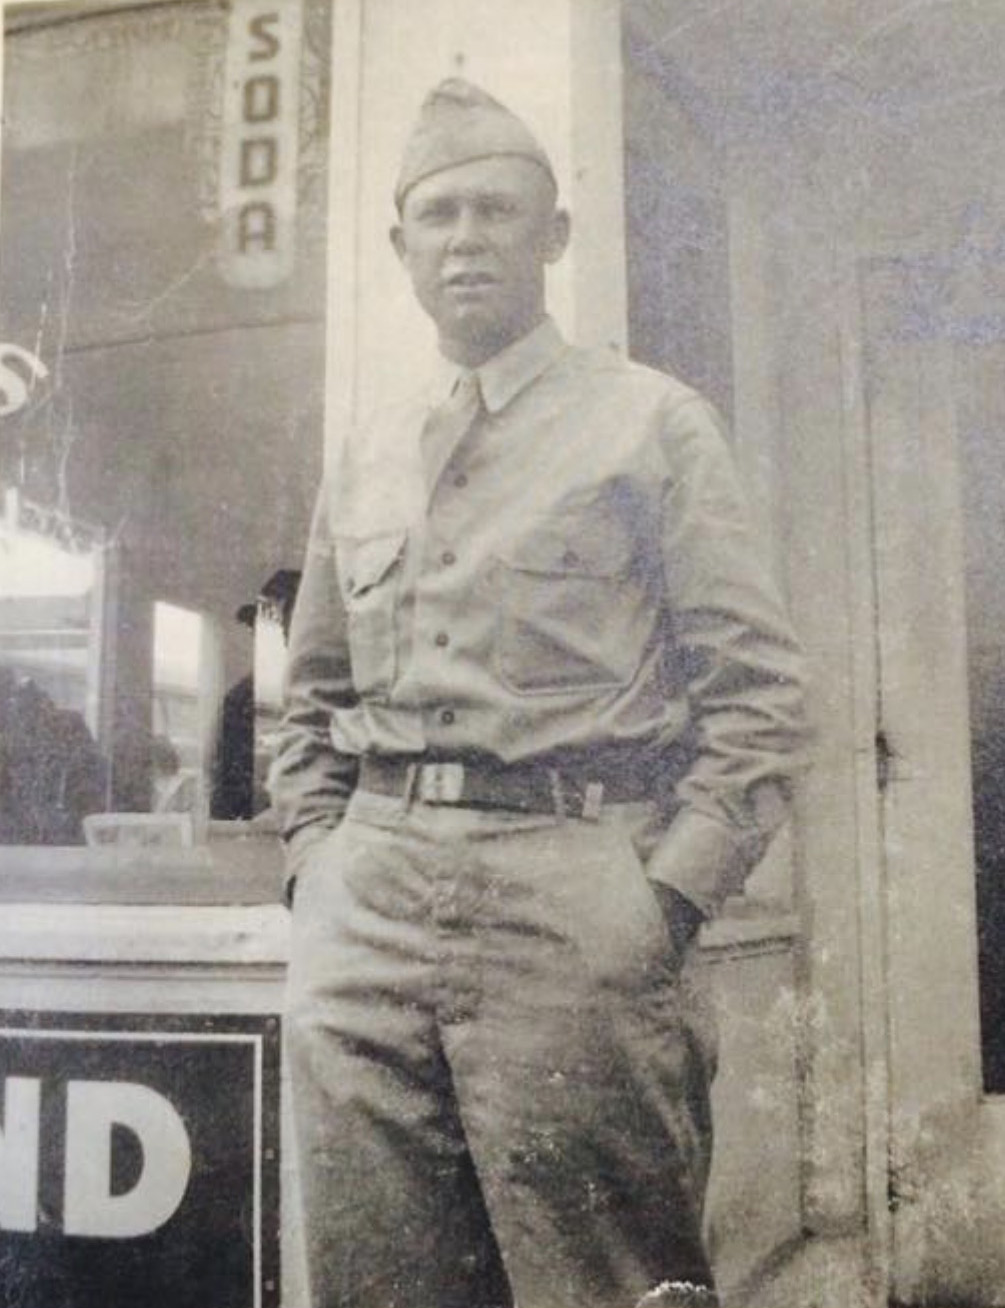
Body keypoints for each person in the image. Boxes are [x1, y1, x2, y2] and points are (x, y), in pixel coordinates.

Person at [270, 78, 809, 1308]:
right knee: (379, 1277)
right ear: (400, 246)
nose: (467, 240)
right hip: (367, 903)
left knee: (606, 1279)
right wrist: (317, 866)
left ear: (554, 234)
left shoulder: (651, 424)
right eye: (439, 215)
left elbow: (762, 696)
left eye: (497, 211)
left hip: (575, 895)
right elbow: (311, 699)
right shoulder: (367, 450)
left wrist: (661, 900)